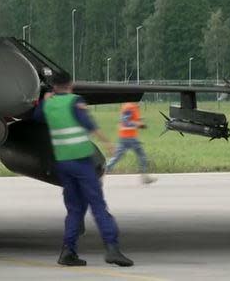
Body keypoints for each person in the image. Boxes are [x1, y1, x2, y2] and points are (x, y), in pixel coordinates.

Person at [34, 73, 133, 267]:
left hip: (63, 163)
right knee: (97, 205)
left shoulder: (49, 104)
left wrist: (44, 101)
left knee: (75, 209)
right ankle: (112, 248)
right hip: (81, 160)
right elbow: (89, 124)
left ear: (53, 86)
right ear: (70, 84)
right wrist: (107, 143)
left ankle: (67, 251)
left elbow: (37, 117)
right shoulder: (75, 101)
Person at [105, 103, 157, 184]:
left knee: (117, 157)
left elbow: (129, 119)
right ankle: (144, 177)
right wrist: (138, 124)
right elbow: (126, 121)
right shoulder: (130, 107)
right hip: (129, 137)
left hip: (126, 136)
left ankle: (101, 173)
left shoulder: (132, 106)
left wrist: (139, 121)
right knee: (142, 155)